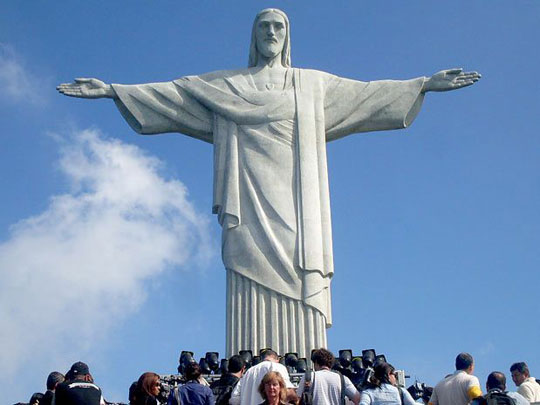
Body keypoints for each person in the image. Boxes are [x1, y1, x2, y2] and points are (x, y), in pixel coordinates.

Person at [57, 8, 481, 359]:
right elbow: (175, 95)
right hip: (246, 193)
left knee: (302, 264)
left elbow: (367, 95)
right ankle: (249, 357)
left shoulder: (312, 85)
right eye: (264, 27)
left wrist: (421, 84)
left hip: (299, 199)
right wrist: (114, 91)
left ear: (288, 35)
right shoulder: (227, 86)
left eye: (279, 27)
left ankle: (308, 357)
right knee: (245, 262)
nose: (272, 33)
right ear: (254, 36)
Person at [230, 349, 297, 405]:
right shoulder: (277, 366)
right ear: (277, 360)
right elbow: (287, 391)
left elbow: (234, 399)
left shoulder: (248, 372)